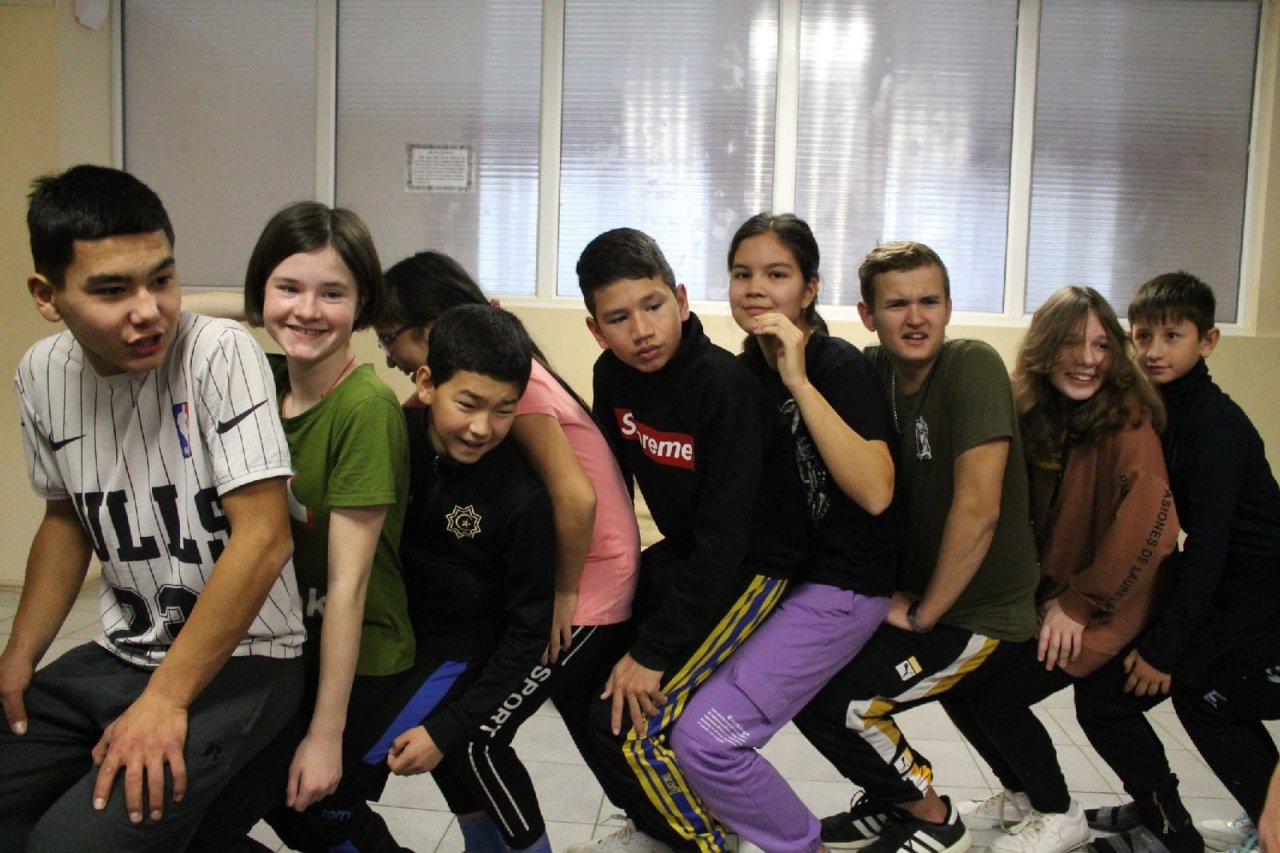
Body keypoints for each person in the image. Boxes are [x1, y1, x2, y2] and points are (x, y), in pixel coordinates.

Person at [0, 164, 306, 851]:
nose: (148, 310)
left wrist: (165, 699)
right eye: (112, 290)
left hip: (247, 659)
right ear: (47, 296)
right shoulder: (41, 374)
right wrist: (19, 656)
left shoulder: (218, 352)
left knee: (70, 843)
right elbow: (66, 520)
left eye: (161, 279)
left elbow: (264, 537)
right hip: (123, 651)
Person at [374, 251, 642, 849]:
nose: (390, 354)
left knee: (474, 738)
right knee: (454, 729)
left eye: (391, 337)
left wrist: (564, 596)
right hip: (549, 570)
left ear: (431, 328)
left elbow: (576, 499)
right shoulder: (465, 388)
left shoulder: (513, 386)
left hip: (586, 581)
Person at [792, 240, 1041, 853]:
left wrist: (926, 614)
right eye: (896, 304)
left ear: (949, 307)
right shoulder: (872, 370)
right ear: (867, 315)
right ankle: (893, 802)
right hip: (912, 597)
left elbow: (979, 512)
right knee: (803, 682)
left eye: (929, 301)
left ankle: (934, 819)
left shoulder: (972, 365)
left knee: (847, 704)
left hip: (978, 613)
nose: (915, 318)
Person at [566, 228, 809, 853]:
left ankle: (707, 842)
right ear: (596, 329)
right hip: (688, 556)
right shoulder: (611, 375)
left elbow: (726, 542)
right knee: (581, 685)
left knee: (632, 726)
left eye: (653, 306)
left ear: (679, 299)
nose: (642, 330)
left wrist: (653, 652)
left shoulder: (722, 387)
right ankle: (657, 824)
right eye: (619, 318)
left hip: (756, 566)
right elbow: (610, 490)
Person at [668, 213, 900, 853]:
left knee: (708, 740)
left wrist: (798, 378)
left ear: (809, 288)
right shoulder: (743, 371)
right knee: (664, 710)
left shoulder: (834, 363)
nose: (755, 289)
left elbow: (876, 492)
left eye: (776, 274)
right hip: (775, 580)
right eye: (742, 274)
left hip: (841, 585)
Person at [188, 201, 414, 850]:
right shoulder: (258, 379)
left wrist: (324, 733)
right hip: (283, 648)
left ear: (363, 303)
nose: (308, 310)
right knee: (266, 814)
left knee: (269, 811)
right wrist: (259, 307)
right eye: (288, 286)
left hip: (354, 656)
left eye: (332, 294)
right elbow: (166, 318)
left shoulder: (365, 407)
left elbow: (348, 585)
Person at [940, 286, 1177, 853]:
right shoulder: (1034, 408)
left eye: (1101, 344)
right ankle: (1024, 795)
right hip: (1047, 597)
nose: (1088, 358)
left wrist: (1078, 604)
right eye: (1072, 342)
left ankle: (1057, 811)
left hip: (1105, 607)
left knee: (996, 697)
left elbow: (1151, 530)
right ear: (1045, 347)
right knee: (956, 682)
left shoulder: (1127, 421)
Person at [1075, 272, 1280, 853]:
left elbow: (1210, 547)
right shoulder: (1158, 408)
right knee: (1104, 697)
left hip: (1259, 595)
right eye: (1142, 336)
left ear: (1207, 341)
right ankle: (1157, 808)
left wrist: (1167, 647)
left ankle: (1246, 822)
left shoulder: (1216, 425)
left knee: (1201, 695)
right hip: (1223, 587)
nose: (1154, 351)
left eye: (1172, 336)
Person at [369, 303, 557, 853]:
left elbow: (527, 632)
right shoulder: (392, 436)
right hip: (394, 640)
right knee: (451, 769)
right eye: (468, 404)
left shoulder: (519, 497)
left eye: (504, 410)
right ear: (427, 383)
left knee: (374, 762)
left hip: (462, 653)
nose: (481, 428)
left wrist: (447, 728)